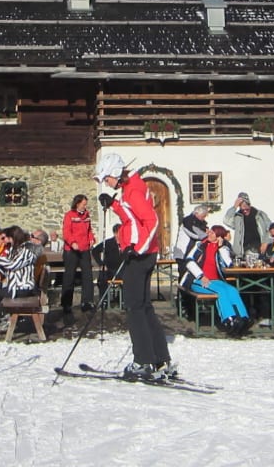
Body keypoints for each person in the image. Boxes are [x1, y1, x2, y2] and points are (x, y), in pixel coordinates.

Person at [95, 152, 174, 382]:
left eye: (107, 178)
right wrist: (114, 204)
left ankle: (143, 360)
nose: (106, 183)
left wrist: (137, 248)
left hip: (139, 256)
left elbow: (151, 221)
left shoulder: (134, 190)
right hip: (141, 254)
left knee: (133, 307)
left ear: (116, 173)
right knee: (144, 307)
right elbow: (132, 217)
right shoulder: (131, 188)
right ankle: (160, 359)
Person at [180, 225, 251, 336]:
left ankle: (242, 317)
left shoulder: (223, 248)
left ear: (219, 236)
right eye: (210, 232)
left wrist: (221, 247)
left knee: (232, 290)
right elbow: (189, 261)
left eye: (212, 233)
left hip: (216, 280)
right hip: (197, 280)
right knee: (220, 292)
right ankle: (229, 319)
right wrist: (201, 276)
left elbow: (228, 264)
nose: (209, 234)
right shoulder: (200, 245)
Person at [0, 225, 38, 331]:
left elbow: (13, 265)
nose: (7, 241)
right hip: (15, 284)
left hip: (23, 286)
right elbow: (8, 268)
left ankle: (3, 319)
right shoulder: (16, 250)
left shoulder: (27, 250)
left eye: (8, 238)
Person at [61, 194, 96, 321]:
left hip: (85, 249)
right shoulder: (69, 215)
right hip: (72, 250)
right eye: (83, 204)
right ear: (77, 203)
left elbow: (89, 230)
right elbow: (66, 232)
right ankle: (66, 304)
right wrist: (72, 242)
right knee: (69, 276)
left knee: (88, 275)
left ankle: (87, 302)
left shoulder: (86, 216)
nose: (85, 206)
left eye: (85, 204)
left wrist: (92, 238)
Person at [224, 192, 272, 260]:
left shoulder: (260, 215)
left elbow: (270, 229)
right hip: (243, 251)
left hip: (260, 249)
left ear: (250, 205)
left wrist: (266, 242)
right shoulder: (238, 217)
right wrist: (234, 207)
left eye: (247, 209)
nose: (245, 211)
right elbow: (226, 220)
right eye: (242, 209)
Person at [93, 224, 124, 301]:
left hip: (122, 270)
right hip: (110, 269)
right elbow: (95, 251)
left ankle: (124, 300)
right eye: (118, 233)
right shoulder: (108, 243)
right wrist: (101, 264)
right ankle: (104, 300)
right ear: (115, 233)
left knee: (130, 276)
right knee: (103, 276)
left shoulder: (125, 243)